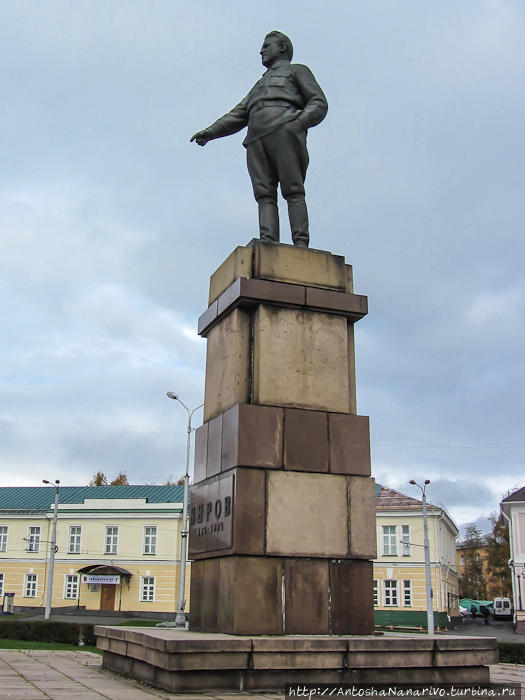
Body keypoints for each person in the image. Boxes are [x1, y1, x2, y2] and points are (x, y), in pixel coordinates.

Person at [191, 31, 328, 248]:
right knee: (264, 194)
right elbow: (238, 114)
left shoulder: (297, 71)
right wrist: (210, 132)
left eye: (267, 45)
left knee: (293, 189)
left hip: (284, 129)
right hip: (256, 139)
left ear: (282, 47)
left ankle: (301, 244)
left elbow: (318, 102)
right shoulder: (258, 85)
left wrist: (297, 124)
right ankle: (268, 242)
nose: (261, 50)